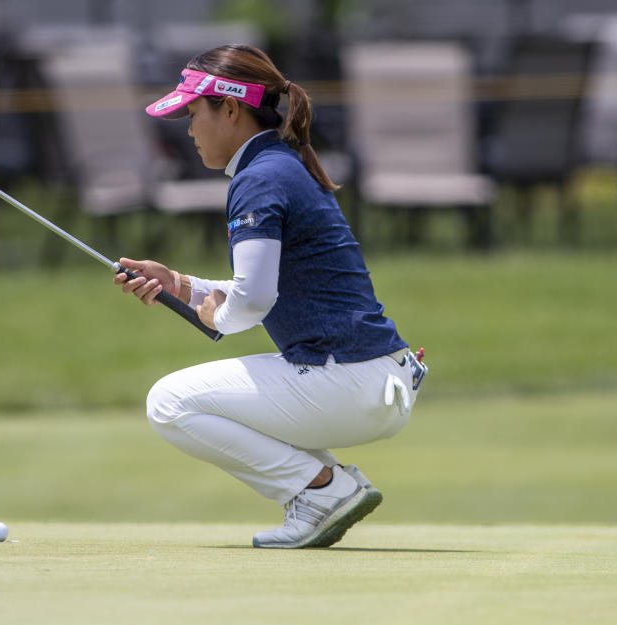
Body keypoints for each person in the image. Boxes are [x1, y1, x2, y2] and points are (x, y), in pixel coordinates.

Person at [115, 44, 428, 549]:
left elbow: (253, 300)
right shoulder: (279, 165)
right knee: (189, 397)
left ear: (231, 108)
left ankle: (320, 490)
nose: (189, 129)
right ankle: (329, 484)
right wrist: (180, 284)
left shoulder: (259, 178)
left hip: (348, 378)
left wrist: (220, 317)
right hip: (368, 378)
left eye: (194, 112)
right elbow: (258, 287)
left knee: (168, 402)